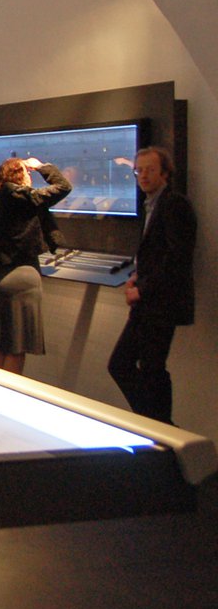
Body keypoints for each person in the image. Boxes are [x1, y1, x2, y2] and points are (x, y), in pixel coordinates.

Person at [107, 146, 196, 424]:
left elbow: (176, 258)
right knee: (147, 368)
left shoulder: (173, 204)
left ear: (165, 172)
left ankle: (161, 427)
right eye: (139, 170)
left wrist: (141, 289)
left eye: (150, 170)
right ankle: (159, 427)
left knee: (138, 367)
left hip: (161, 304)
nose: (143, 176)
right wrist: (137, 278)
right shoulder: (152, 205)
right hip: (151, 302)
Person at [0, 157, 72, 375]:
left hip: (0, 279)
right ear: (22, 176)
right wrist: (41, 167)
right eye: (27, 173)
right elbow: (64, 186)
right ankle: (8, 401)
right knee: (17, 348)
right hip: (25, 279)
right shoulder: (31, 200)